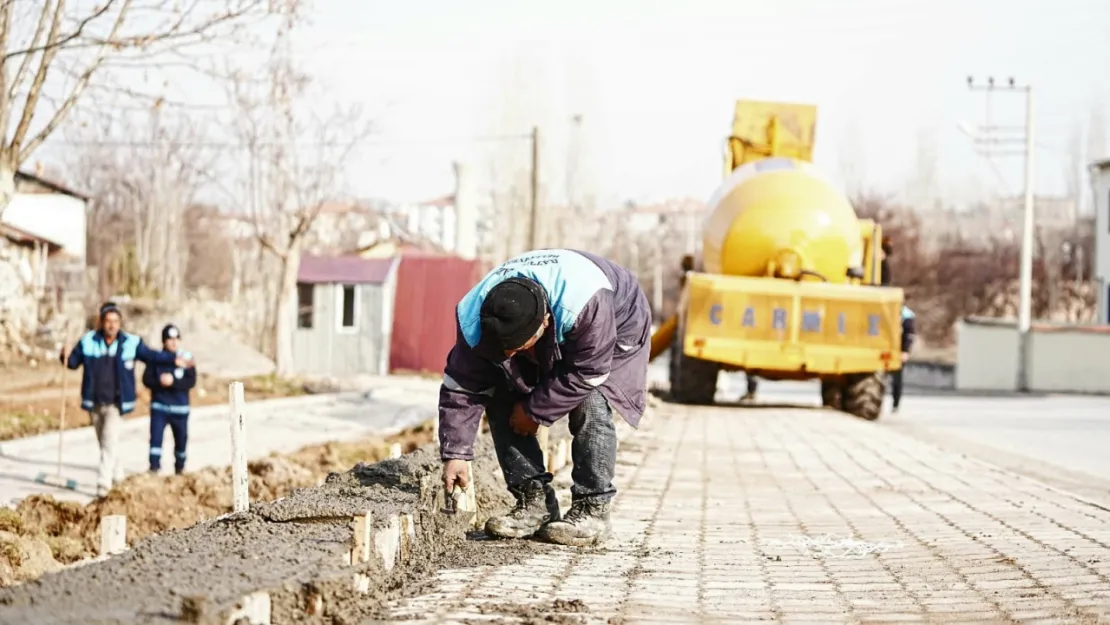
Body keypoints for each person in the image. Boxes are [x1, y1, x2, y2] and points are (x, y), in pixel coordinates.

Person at [438, 249, 652, 547]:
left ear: (544, 324)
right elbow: (462, 385)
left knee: (590, 400)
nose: (512, 356)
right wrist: (456, 453)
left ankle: (592, 510)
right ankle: (535, 503)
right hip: (556, 323)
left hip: (619, 316)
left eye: (518, 348)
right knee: (500, 391)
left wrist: (535, 411)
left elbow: (588, 372)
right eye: (506, 350)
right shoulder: (474, 318)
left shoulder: (585, 303)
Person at [61, 303, 194, 496]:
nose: (112, 325)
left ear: (120, 322)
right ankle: (118, 476)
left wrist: (173, 361)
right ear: (102, 322)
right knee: (106, 443)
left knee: (109, 440)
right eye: (108, 321)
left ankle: (103, 484)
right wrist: (64, 355)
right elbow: (72, 363)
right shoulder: (88, 341)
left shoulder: (130, 343)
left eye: (116, 321)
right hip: (95, 402)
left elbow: (151, 357)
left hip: (117, 403)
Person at [141, 324, 197, 475]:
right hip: (160, 407)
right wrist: (160, 381)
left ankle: (180, 469)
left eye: (176, 339)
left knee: (181, 441)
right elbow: (146, 379)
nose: (173, 342)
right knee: (156, 440)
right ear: (164, 341)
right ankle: (154, 468)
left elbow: (191, 381)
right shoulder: (157, 359)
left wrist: (174, 382)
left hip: (180, 409)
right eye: (170, 339)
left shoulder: (186, 358)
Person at [891, 304, 916, 412]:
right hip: (886, 348)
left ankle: (895, 403)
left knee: (897, 380)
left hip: (898, 351)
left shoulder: (906, 316)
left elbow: (909, 335)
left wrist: (905, 351)